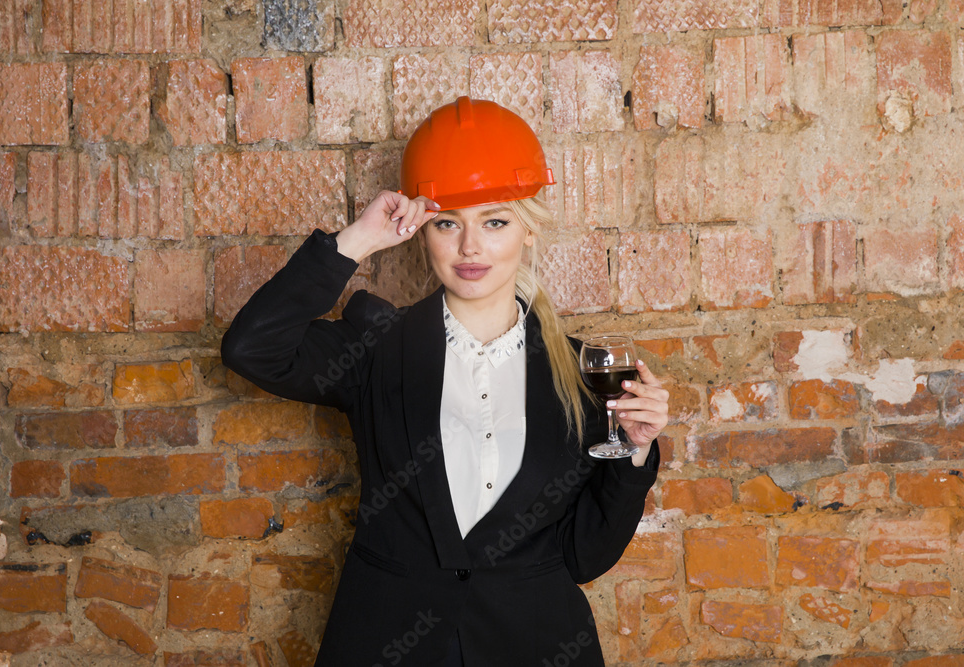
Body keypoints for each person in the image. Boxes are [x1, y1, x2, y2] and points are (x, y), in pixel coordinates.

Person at [221, 97, 669, 666]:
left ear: (529, 229)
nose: (469, 247)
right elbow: (251, 348)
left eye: (495, 221)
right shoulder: (375, 348)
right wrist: (358, 239)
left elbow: (585, 558)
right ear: (421, 231)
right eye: (447, 223)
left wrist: (635, 452)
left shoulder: (586, 375)